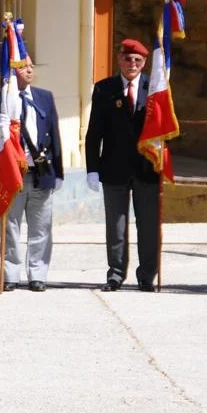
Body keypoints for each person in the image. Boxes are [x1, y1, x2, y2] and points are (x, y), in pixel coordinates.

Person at [0, 50, 62, 292]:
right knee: (10, 227)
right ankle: (11, 274)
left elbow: (54, 134)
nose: (29, 70)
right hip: (9, 174)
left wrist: (58, 172)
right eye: (23, 66)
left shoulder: (44, 97)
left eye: (31, 66)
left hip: (40, 171)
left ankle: (38, 274)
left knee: (41, 227)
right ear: (11, 70)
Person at [85, 39, 158, 292]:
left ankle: (147, 275)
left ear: (145, 63)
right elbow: (95, 131)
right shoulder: (104, 89)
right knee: (116, 226)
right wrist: (92, 168)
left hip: (148, 168)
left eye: (137, 60)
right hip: (114, 167)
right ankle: (116, 273)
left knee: (148, 226)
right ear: (119, 60)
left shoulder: (156, 87)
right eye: (127, 59)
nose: (132, 64)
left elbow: (167, 129)